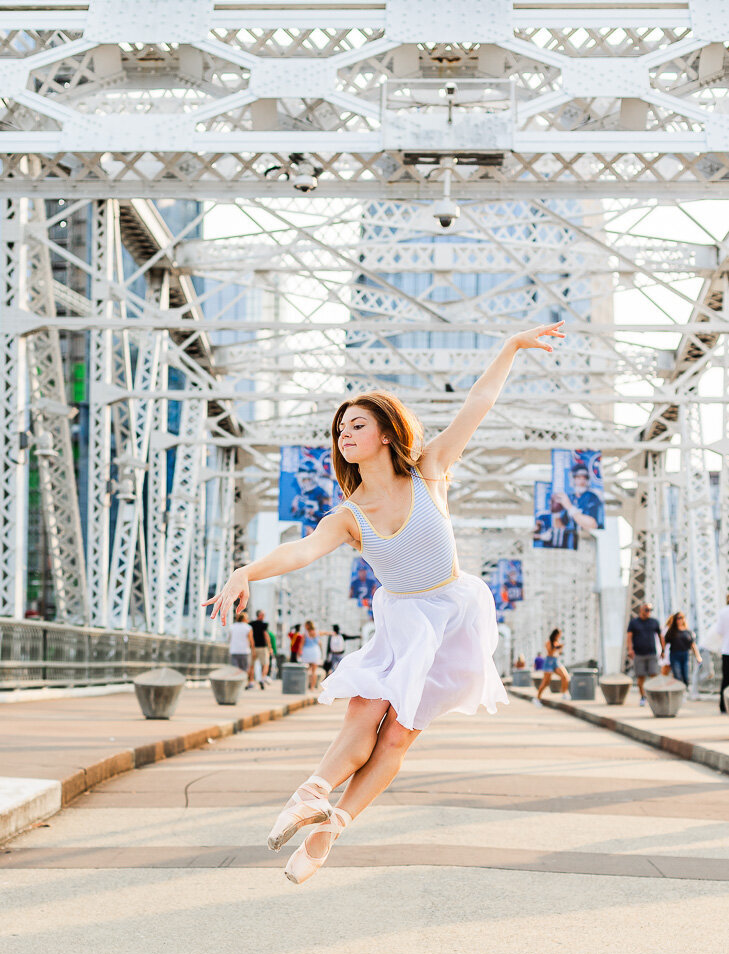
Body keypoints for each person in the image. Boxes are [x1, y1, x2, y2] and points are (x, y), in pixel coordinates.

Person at [203, 320, 565, 885]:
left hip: (455, 617)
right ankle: (310, 795)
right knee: (366, 712)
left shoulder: (430, 470)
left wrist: (511, 347)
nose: (344, 434)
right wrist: (245, 570)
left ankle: (327, 830)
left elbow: (478, 403)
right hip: (403, 618)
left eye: (357, 425)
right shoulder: (349, 514)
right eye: (340, 428)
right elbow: (302, 550)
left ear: (388, 434)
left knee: (398, 735)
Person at [627, 602, 665, 706]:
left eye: (650, 610)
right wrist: (630, 649)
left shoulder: (654, 622)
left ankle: (653, 695)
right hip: (639, 654)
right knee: (641, 677)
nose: (649, 612)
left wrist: (663, 650)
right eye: (647, 610)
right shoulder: (634, 622)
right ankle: (643, 696)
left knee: (654, 674)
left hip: (652, 653)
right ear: (641, 610)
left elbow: (661, 636)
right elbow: (629, 636)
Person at [663, 611, 701, 687]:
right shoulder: (671, 631)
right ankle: (678, 693)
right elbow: (664, 642)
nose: (680, 620)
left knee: (686, 677)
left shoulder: (688, 631)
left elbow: (692, 645)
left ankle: (683, 693)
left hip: (685, 655)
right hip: (675, 655)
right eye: (678, 618)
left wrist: (698, 656)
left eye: (681, 618)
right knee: (678, 676)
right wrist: (663, 653)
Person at [534, 628, 570, 702]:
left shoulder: (557, 642)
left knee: (565, 676)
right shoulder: (549, 642)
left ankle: (564, 694)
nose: (559, 636)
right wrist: (556, 647)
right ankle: (537, 698)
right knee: (546, 682)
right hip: (549, 662)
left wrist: (560, 648)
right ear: (555, 635)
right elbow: (550, 652)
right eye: (558, 635)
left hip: (556, 661)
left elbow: (558, 653)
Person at [709, 593, 729, 713]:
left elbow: (719, 631)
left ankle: (723, 705)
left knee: (726, 679)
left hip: (726, 650)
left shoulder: (723, 612)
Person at [300, 620, 333, 691]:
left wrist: (299, 652)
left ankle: (304, 687)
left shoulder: (305, 634)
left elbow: (301, 644)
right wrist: (331, 633)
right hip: (315, 652)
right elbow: (324, 633)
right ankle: (312, 687)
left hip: (307, 652)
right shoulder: (316, 632)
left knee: (306, 671)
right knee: (314, 671)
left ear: (307, 626)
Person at [250, 609, 273, 689]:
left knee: (251, 665)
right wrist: (270, 647)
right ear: (259, 615)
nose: (264, 616)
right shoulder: (264, 624)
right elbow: (266, 635)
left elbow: (250, 635)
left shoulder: (251, 624)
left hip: (253, 647)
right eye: (263, 615)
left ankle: (251, 682)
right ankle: (262, 679)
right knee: (265, 664)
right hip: (262, 647)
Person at [229, 609, 254, 677]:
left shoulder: (232, 627)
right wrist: (253, 651)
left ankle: (236, 682)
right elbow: (251, 640)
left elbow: (229, 639)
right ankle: (243, 683)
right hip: (244, 651)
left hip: (234, 651)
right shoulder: (248, 628)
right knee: (244, 669)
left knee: (235, 669)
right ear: (245, 619)